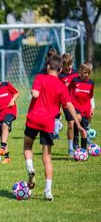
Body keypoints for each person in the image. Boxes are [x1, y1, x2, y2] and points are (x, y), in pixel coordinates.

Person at [23, 54, 86, 201]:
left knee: (27, 145)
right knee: (47, 157)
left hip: (33, 118)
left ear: (47, 66)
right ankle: (47, 191)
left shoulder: (39, 77)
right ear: (59, 70)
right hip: (48, 123)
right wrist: (78, 125)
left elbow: (35, 94)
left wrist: (33, 93)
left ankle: (30, 167)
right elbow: (69, 105)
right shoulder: (61, 86)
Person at [68, 63, 95, 151]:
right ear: (80, 71)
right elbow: (68, 91)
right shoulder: (75, 80)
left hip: (86, 109)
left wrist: (92, 107)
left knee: (84, 130)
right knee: (77, 119)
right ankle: (75, 144)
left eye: (88, 73)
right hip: (75, 106)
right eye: (85, 72)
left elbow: (91, 96)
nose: (86, 75)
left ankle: (83, 150)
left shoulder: (91, 83)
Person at [59, 53, 79, 156]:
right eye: (67, 65)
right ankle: (71, 148)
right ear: (62, 65)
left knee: (78, 120)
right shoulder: (60, 76)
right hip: (67, 103)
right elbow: (57, 92)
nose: (69, 67)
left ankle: (76, 142)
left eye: (70, 64)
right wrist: (59, 107)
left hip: (77, 102)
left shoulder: (76, 73)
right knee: (71, 124)